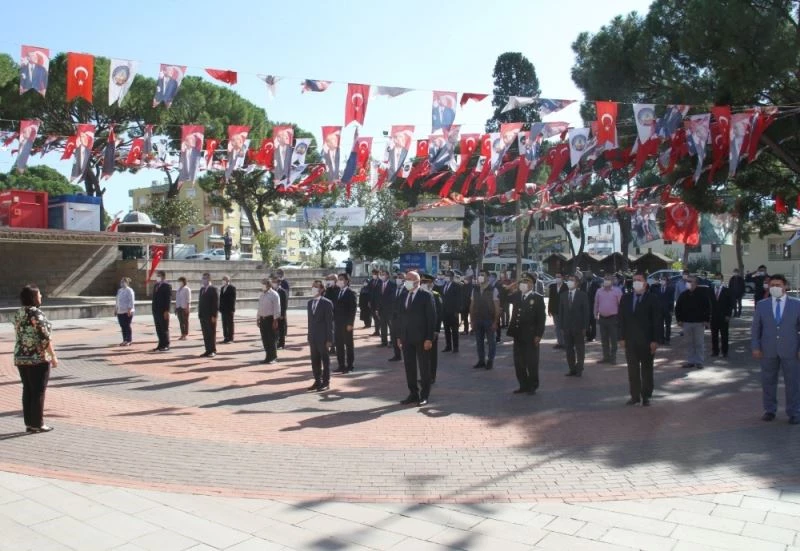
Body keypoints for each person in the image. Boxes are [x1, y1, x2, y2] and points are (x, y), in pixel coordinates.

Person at [751, 274, 800, 425]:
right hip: (768, 350)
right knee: (768, 381)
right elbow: (756, 328)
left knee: (793, 383)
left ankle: (794, 412)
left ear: (785, 286)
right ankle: (769, 410)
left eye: (778, 285)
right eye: (772, 285)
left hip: (791, 350)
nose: (775, 288)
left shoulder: (797, 304)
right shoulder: (762, 304)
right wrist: (755, 346)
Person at [14, 284, 58, 433]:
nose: (41, 297)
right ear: (33, 297)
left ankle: (29, 423)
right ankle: (38, 424)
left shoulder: (19, 312)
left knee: (28, 390)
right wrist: (53, 356)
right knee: (38, 391)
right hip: (37, 357)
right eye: (39, 295)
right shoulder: (37, 314)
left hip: (21, 356)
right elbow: (45, 338)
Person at [618, 273, 663, 406]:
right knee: (632, 370)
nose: (636, 282)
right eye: (634, 280)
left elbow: (657, 321)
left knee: (647, 370)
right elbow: (621, 319)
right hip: (630, 341)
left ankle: (646, 395)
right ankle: (634, 395)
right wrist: (621, 337)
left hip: (647, 341)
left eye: (639, 280)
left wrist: (655, 340)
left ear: (645, 283)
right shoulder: (625, 298)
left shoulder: (652, 299)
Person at [396, 271, 436, 406]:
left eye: (409, 279)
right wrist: (399, 336)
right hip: (406, 338)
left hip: (422, 338)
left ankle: (424, 395)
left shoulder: (426, 296)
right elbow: (400, 317)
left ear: (417, 282)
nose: (405, 281)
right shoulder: (403, 295)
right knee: (409, 367)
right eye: (406, 278)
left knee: (424, 368)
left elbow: (431, 319)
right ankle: (413, 393)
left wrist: (429, 338)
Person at [507, 274, 546, 395]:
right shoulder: (517, 295)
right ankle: (523, 385)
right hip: (518, 334)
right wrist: (513, 285)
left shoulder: (537, 298)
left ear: (532, 284)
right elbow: (503, 296)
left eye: (526, 281)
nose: (523, 283)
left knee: (531, 362)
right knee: (519, 362)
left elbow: (541, 319)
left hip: (530, 335)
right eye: (522, 281)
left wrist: (538, 335)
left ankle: (532, 385)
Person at [675, 276, 711, 369]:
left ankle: (699, 361)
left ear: (695, 283)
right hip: (686, 322)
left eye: (690, 281)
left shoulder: (702, 295)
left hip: (699, 323)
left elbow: (707, 308)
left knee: (699, 343)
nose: (688, 283)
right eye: (687, 281)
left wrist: (706, 320)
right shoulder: (683, 295)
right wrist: (679, 319)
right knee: (689, 343)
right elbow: (678, 308)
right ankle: (690, 361)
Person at [560, 274, 590, 377]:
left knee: (580, 349)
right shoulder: (563, 295)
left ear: (577, 283)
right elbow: (561, 312)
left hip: (579, 327)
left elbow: (586, 312)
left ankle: (579, 368)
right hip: (567, 328)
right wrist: (561, 327)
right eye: (569, 280)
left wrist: (585, 327)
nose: (570, 282)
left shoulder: (582, 295)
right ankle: (572, 369)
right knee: (569, 349)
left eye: (572, 280)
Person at [306, 280, 334, 392]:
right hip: (313, 337)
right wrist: (309, 336)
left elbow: (329, 322)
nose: (313, 288)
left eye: (316, 287)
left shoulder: (327, 303)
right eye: (312, 286)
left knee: (325, 360)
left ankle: (326, 382)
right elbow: (310, 321)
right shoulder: (309, 303)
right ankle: (317, 380)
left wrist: (329, 339)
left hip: (323, 337)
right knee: (314, 360)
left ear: (321, 289)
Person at [470, 270, 500, 370]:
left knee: (491, 342)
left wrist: (495, 321)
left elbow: (497, 307)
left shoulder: (493, 290)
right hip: (478, 319)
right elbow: (472, 305)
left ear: (488, 277)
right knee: (479, 342)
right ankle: (481, 360)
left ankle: (490, 361)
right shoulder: (475, 290)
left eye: (483, 275)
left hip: (489, 319)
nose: (480, 277)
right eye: (479, 275)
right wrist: (472, 320)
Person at [594, 274, 623, 364]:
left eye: (608, 279)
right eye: (605, 279)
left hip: (613, 318)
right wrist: (595, 314)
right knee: (604, 339)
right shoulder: (599, 291)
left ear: (612, 281)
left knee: (613, 339)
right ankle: (606, 357)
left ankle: (613, 358)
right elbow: (596, 303)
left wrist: (621, 318)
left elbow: (621, 305)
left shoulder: (617, 291)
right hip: (602, 318)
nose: (606, 281)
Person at [420, 273, 443, 384]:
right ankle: (424, 376)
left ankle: (432, 376)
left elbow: (438, 315)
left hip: (432, 330)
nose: (423, 284)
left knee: (432, 355)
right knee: (422, 355)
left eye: (426, 282)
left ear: (431, 283)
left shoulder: (436, 295)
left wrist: (436, 330)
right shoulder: (419, 294)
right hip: (421, 330)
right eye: (422, 282)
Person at [333, 273, 357, 374]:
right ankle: (341, 365)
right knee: (339, 345)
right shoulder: (338, 292)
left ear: (347, 281)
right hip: (338, 323)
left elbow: (353, 309)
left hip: (347, 324)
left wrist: (350, 323)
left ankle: (350, 365)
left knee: (348, 345)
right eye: (338, 279)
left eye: (341, 279)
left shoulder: (351, 293)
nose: (339, 281)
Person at [710, 273, 734, 358]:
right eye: (716, 279)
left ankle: (725, 351)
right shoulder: (711, 290)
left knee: (724, 335)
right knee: (714, 335)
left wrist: (728, 315)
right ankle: (715, 351)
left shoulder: (727, 291)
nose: (717, 280)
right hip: (713, 317)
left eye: (719, 279)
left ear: (722, 280)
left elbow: (731, 304)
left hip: (724, 317)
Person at [257, 277, 281, 364]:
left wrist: (275, 320)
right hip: (262, 319)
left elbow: (277, 308)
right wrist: (258, 318)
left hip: (270, 319)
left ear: (268, 284)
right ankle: (267, 357)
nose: (262, 285)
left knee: (271, 339)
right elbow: (259, 307)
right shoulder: (262, 294)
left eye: (263, 283)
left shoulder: (274, 294)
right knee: (265, 339)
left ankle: (273, 357)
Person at [197, 273, 219, 358]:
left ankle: (213, 350)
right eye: (203, 278)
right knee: (205, 334)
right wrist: (200, 314)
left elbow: (215, 303)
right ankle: (207, 350)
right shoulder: (202, 289)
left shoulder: (213, 289)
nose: (203, 280)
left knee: (211, 333)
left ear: (209, 279)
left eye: (205, 278)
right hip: (203, 316)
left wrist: (214, 315)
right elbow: (200, 303)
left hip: (210, 316)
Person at [440, 270, 462, 353]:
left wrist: (457, 311)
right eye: (446, 275)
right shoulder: (444, 286)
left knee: (455, 330)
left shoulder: (457, 286)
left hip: (453, 312)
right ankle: (448, 346)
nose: (446, 277)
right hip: (445, 312)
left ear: (452, 277)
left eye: (448, 275)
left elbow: (459, 299)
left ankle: (455, 347)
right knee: (446, 330)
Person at [374, 269, 396, 347]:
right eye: (381, 274)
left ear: (388, 276)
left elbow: (392, 297)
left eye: (384, 274)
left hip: (390, 310)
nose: (382, 276)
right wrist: (377, 308)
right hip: (381, 310)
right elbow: (378, 297)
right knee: (383, 326)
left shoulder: (392, 284)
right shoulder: (380, 284)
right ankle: (384, 342)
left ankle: (393, 342)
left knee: (391, 327)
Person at [651, 276, 675, 345]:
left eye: (664, 280)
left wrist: (671, 310)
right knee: (660, 325)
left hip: (667, 310)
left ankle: (667, 339)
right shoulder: (656, 289)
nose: (662, 281)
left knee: (668, 325)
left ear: (667, 281)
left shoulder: (670, 289)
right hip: (659, 310)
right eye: (661, 279)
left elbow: (672, 300)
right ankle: (661, 339)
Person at [151, 270, 171, 352]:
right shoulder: (156, 285)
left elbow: (168, 299)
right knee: (158, 328)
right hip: (156, 310)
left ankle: (166, 344)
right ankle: (160, 344)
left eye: (159, 275)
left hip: (163, 310)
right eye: (157, 275)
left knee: (164, 328)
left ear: (163, 276)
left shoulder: (167, 286)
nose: (157, 277)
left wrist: (167, 310)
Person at [548, 273, 568, 349]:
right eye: (556, 277)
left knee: (564, 327)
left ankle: (566, 343)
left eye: (559, 277)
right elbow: (551, 298)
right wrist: (549, 309)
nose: (557, 278)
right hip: (555, 310)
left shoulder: (566, 287)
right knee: (557, 327)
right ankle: (560, 343)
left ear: (562, 277)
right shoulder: (552, 286)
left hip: (564, 310)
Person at [388, 272, 405, 362]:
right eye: (397, 277)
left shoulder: (407, 289)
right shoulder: (394, 289)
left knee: (404, 337)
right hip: (394, 318)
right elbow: (391, 303)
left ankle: (406, 355)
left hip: (403, 318)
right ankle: (397, 355)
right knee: (394, 336)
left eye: (401, 277)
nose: (398, 279)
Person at [115, 277, 135, 346]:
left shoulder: (129, 290)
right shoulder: (120, 290)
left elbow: (131, 300)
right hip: (120, 311)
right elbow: (117, 300)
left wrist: (129, 309)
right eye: (121, 282)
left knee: (127, 325)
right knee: (122, 326)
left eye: (123, 282)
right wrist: (116, 309)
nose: (122, 283)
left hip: (127, 311)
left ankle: (129, 340)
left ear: (127, 283)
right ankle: (124, 340)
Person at [583, 273, 601, 342]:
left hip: (593, 306)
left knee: (593, 323)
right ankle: (588, 336)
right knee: (586, 322)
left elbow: (598, 296)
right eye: (587, 275)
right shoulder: (583, 284)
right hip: (585, 307)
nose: (588, 277)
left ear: (592, 277)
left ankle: (593, 336)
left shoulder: (596, 285)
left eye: (589, 275)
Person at [219, 275, 236, 344]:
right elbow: (220, 298)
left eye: (225, 279)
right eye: (223, 279)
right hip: (223, 309)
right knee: (224, 324)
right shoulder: (222, 288)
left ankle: (231, 338)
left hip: (229, 309)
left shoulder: (232, 288)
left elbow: (233, 299)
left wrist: (232, 309)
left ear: (228, 280)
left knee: (230, 323)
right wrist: (220, 307)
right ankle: (226, 337)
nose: (223, 281)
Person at [273, 276, 288, 349]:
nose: (274, 283)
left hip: (280, 313)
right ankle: (275, 342)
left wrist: (282, 314)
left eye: (275, 282)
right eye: (273, 282)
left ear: (279, 283)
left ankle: (281, 343)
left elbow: (284, 304)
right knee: (274, 329)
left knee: (281, 329)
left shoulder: (283, 291)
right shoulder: (271, 291)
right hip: (273, 313)